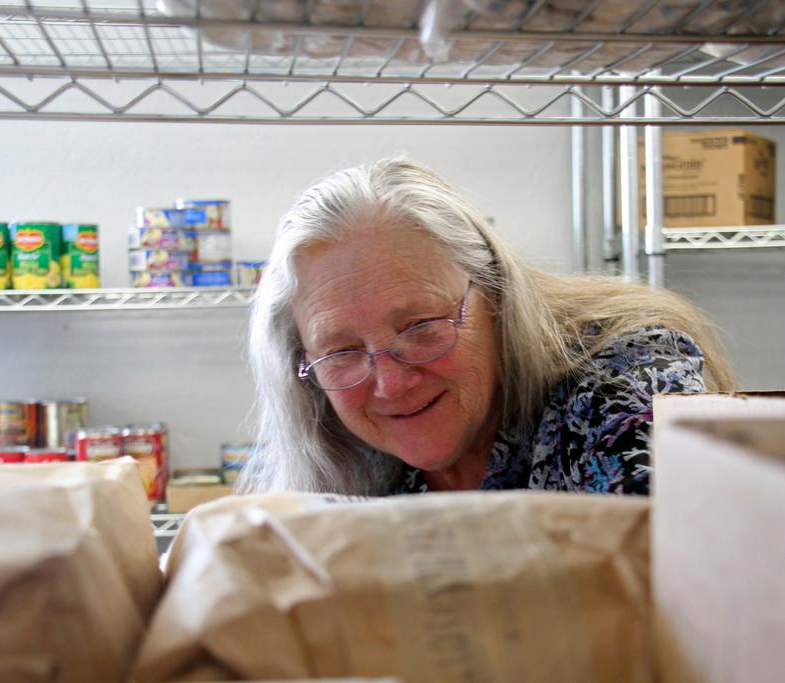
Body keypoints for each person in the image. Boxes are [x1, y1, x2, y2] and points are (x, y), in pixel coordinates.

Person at [246, 158, 734, 496]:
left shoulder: (623, 379)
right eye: (343, 352)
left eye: (420, 327)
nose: (390, 383)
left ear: (497, 296)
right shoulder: (341, 450)